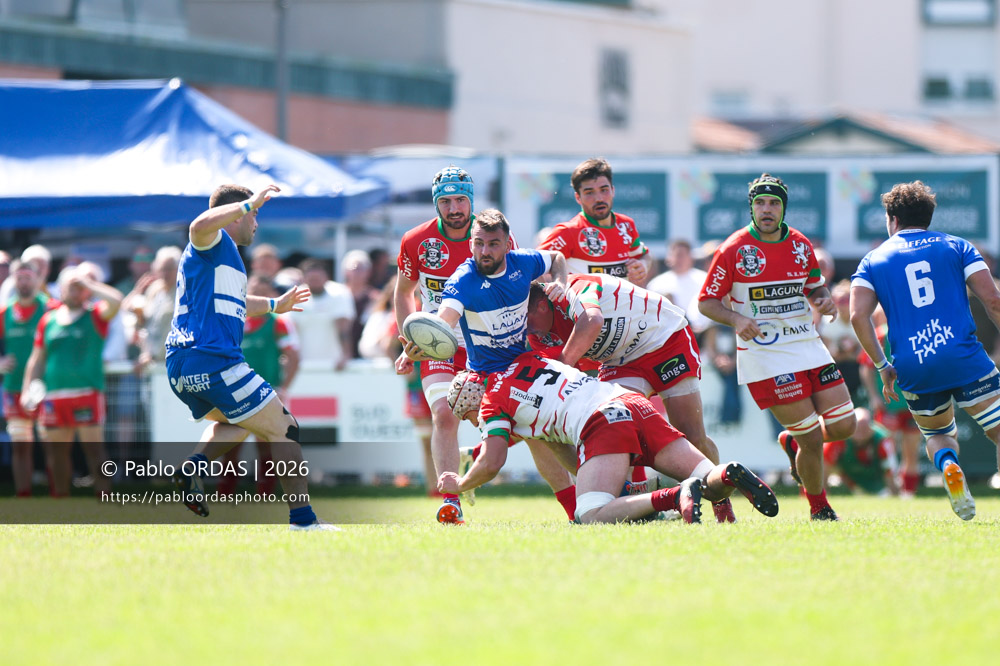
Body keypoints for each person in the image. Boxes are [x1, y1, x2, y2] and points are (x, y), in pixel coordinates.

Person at [165, 183, 334, 531]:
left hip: (181, 366)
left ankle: (192, 468)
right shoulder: (214, 241)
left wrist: (273, 305)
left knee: (240, 422)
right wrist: (247, 204)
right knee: (285, 429)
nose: (256, 222)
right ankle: (304, 522)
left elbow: (236, 303)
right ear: (236, 213)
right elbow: (198, 226)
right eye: (255, 215)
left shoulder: (228, 261)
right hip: (213, 361)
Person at [438, 353, 779, 524]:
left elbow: (493, 460)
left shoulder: (489, 401)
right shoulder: (529, 360)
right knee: (709, 479)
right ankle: (727, 472)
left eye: (468, 418)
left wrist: (461, 483)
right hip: (633, 404)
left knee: (590, 514)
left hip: (602, 421)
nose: (475, 424)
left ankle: (675, 496)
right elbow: (561, 445)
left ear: (469, 401)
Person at [401, 203, 575, 525]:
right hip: (488, 375)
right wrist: (417, 347)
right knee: (538, 436)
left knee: (545, 435)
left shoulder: (524, 263)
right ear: (471, 244)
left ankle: (581, 507)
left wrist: (560, 283)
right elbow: (444, 321)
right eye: (478, 243)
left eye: (493, 244)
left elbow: (558, 259)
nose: (484, 250)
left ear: (508, 245)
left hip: (523, 362)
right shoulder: (463, 280)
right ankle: (454, 498)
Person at [698, 173, 856, 521]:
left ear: (783, 208)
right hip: (766, 357)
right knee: (813, 439)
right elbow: (706, 302)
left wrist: (824, 300)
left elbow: (815, 288)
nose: (766, 210)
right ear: (751, 207)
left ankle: (791, 441)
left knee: (845, 426)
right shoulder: (734, 249)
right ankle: (820, 508)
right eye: (760, 203)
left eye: (774, 203)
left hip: (808, 345)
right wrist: (737, 320)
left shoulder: (800, 244)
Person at [525, 274, 743, 522]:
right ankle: (638, 506)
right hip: (620, 361)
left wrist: (564, 363)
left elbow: (592, 321)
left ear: (542, 305)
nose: (526, 326)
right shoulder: (537, 335)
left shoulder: (573, 288)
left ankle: (719, 497)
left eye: (527, 317)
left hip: (665, 339)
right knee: (610, 435)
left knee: (692, 437)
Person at [850, 180, 1000, 521]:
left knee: (938, 434)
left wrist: (881, 364)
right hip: (964, 357)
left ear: (892, 218)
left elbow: (857, 316)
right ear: (929, 216)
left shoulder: (873, 260)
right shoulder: (958, 246)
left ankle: (948, 465)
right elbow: (992, 300)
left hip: (914, 365)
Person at [21, 265, 122, 498]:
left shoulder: (95, 315)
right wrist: (28, 388)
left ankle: (104, 496)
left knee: (94, 451)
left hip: (87, 393)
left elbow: (117, 301)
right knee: (56, 453)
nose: (76, 293)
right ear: (61, 290)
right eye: (71, 287)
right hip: (55, 395)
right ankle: (60, 498)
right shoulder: (49, 320)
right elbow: (37, 359)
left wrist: (89, 283)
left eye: (80, 288)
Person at [218, 275, 301, 496]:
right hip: (233, 393)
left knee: (266, 444)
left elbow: (293, 356)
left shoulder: (279, 321)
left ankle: (264, 494)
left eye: (264, 292)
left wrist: (283, 389)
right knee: (230, 445)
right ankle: (225, 494)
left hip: (266, 392)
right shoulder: (231, 319)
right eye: (254, 292)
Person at [537, 158, 650, 284]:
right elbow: (532, 264)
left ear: (613, 190)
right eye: (589, 192)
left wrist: (643, 265)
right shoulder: (568, 232)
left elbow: (643, 255)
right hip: (583, 304)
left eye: (604, 190)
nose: (599, 198)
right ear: (578, 198)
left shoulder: (626, 225)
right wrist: (544, 297)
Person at [0, 260, 55, 496]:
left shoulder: (51, 309)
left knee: (53, 446)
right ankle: (24, 494)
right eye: (19, 277)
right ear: (14, 280)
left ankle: (58, 494)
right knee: (20, 445)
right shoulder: (4, 312)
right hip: (13, 387)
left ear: (38, 279)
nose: (23, 282)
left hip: (45, 387)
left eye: (28, 277)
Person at [293, 257, 354, 371]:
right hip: (302, 364)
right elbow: (291, 330)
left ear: (326, 277)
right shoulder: (294, 296)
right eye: (312, 279)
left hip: (334, 363)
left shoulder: (339, 293)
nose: (315, 282)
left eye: (318, 278)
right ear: (304, 279)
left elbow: (343, 328)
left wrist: (345, 355)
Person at [823, 408, 899, 496]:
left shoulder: (882, 440)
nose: (861, 433)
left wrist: (895, 494)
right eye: (858, 428)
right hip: (847, 483)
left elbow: (889, 471)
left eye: (864, 428)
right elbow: (825, 467)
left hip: (877, 486)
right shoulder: (838, 439)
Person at [646, 239, 710, 334]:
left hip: (703, 335)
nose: (678, 259)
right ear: (668, 258)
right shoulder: (656, 284)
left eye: (682, 255)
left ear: (691, 257)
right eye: (675, 255)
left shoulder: (705, 280)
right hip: (669, 335)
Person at [342, 249, 380, 360]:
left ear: (369, 272)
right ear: (346, 271)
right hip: (342, 357)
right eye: (354, 268)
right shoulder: (337, 296)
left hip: (367, 357)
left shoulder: (375, 298)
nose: (357, 272)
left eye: (362, 269)